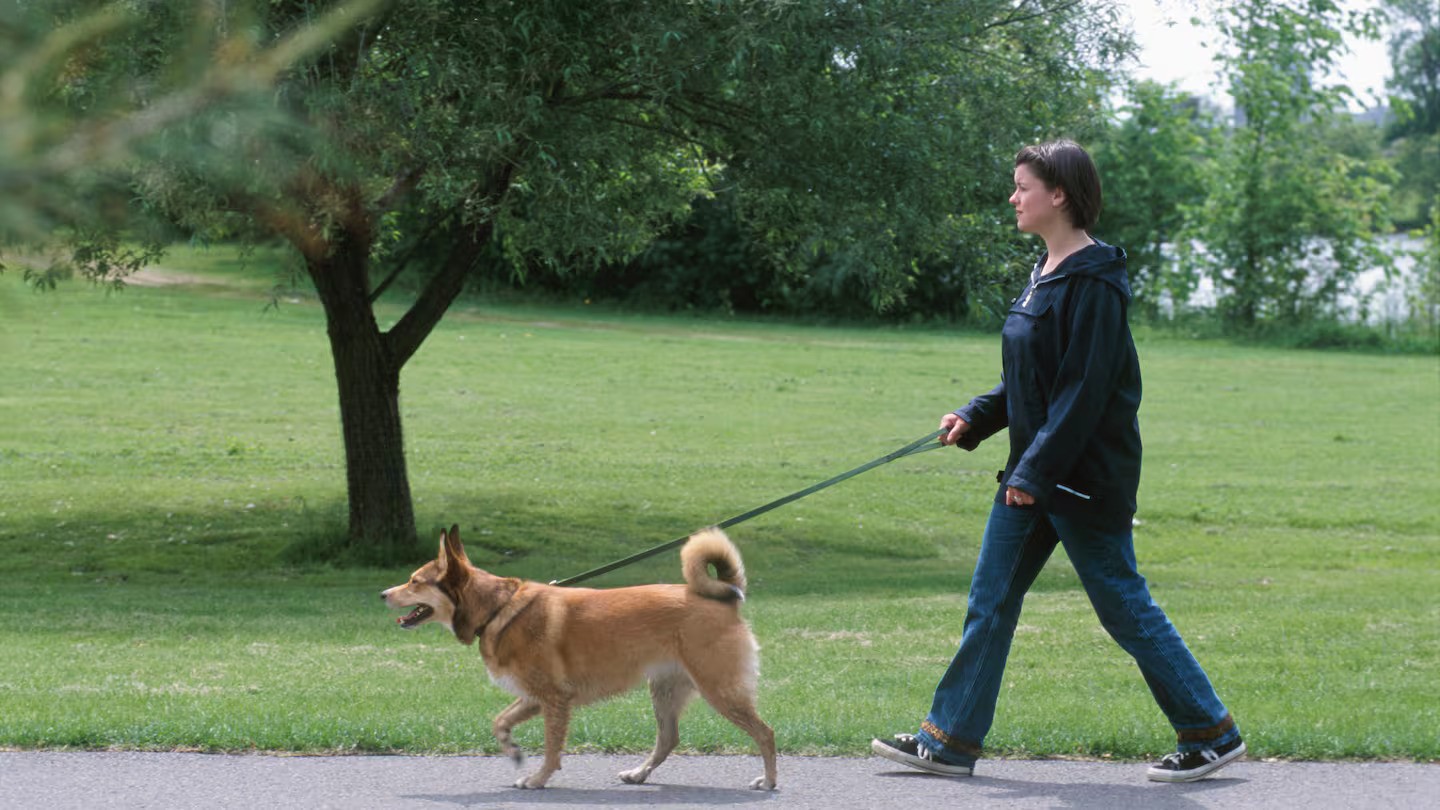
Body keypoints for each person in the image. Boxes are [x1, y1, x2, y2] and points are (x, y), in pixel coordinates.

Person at [871, 140, 1244, 783]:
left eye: (1022, 186)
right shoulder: (1047, 271)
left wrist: (1033, 475)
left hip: (1081, 479)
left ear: (1059, 194)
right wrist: (977, 416)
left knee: (1123, 606)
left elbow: (1083, 390)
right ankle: (951, 738)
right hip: (1035, 474)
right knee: (990, 602)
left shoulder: (1095, 280)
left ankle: (1211, 732)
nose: (1013, 198)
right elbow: (1032, 376)